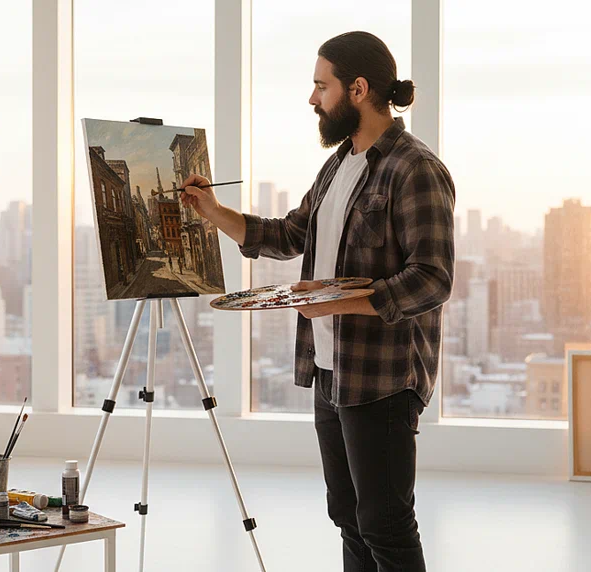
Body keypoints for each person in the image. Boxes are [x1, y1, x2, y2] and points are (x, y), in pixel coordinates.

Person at [181, 31, 455, 572]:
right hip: (332, 372)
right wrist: (212, 210)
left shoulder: (414, 168)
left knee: (386, 525)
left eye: (320, 86)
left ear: (357, 88)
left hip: (383, 378)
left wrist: (337, 301)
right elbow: (288, 235)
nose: (312, 99)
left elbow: (432, 279)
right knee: (349, 517)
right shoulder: (338, 164)